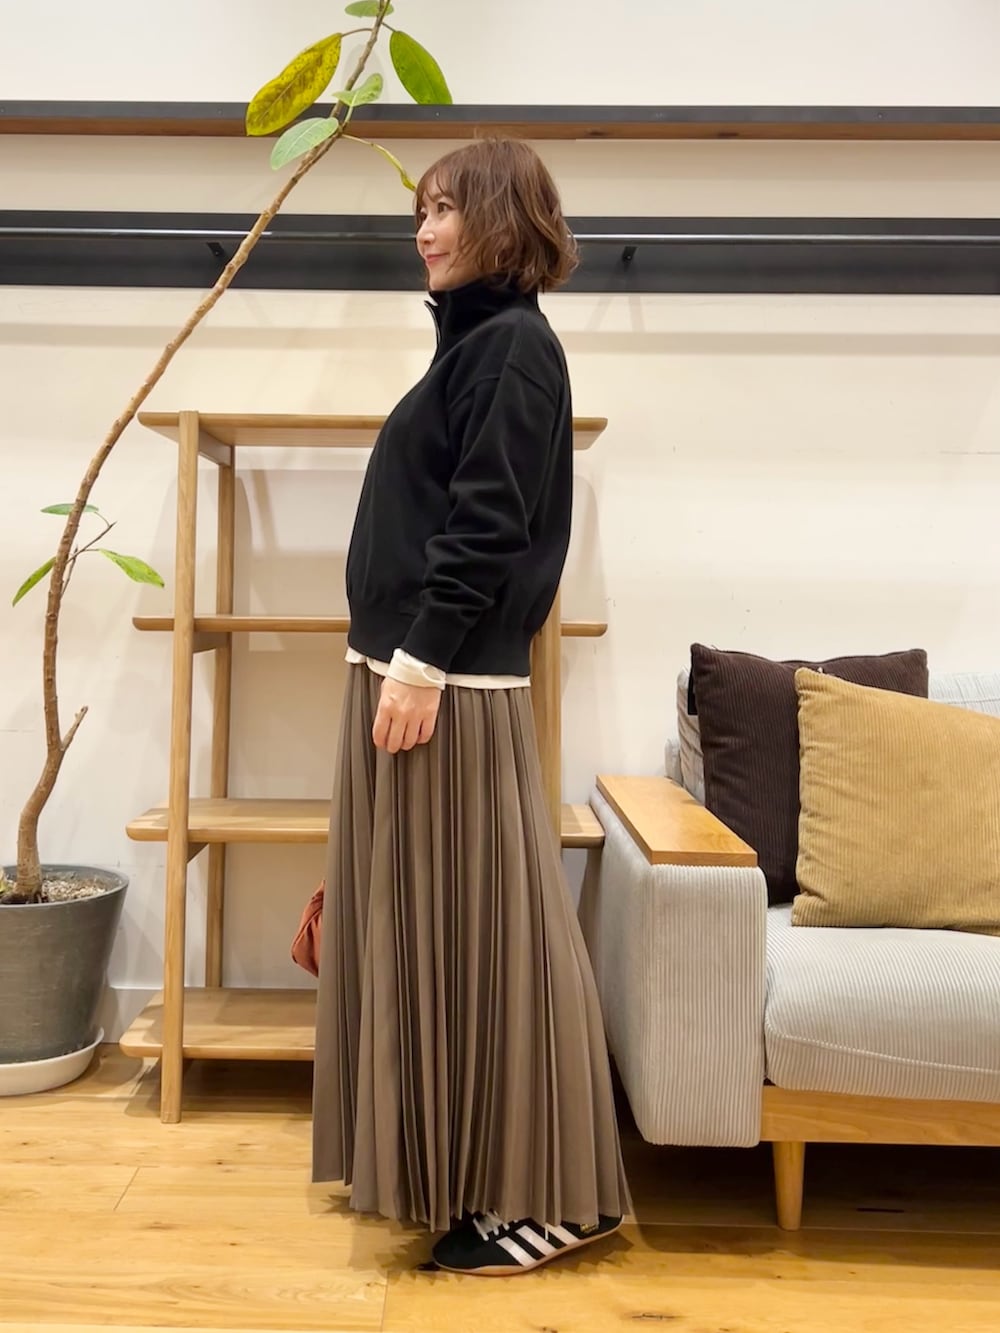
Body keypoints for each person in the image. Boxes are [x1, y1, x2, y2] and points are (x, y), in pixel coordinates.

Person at [311, 137, 630, 1277]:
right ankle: (460, 1167)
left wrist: (420, 662)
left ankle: (561, 1195)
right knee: (439, 934)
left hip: (442, 685)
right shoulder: (477, 347)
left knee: (503, 934)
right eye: (421, 211)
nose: (424, 230)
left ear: (500, 217)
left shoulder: (512, 350)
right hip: (414, 676)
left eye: (446, 209)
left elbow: (490, 525)